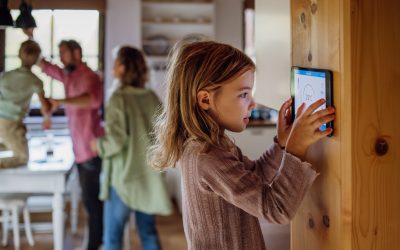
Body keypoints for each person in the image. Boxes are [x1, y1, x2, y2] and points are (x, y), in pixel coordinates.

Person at [148, 41, 336, 249]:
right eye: (243, 94)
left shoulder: (211, 146)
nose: (253, 103)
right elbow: (277, 209)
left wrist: (282, 144)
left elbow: (255, 176)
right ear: (204, 100)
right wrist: (296, 149)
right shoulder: (207, 157)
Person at [90, 46, 172, 250]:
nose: (112, 68)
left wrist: (97, 145)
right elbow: (164, 135)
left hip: (124, 179)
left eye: (116, 63)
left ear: (123, 68)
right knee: (148, 232)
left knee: (112, 238)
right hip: (148, 177)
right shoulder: (151, 97)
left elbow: (116, 140)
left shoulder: (118, 98)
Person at [38, 40, 104, 250]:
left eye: (64, 53)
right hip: (78, 149)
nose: (61, 57)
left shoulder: (91, 77)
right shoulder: (68, 76)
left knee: (91, 201)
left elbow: (92, 101)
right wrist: (31, 39)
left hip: (91, 148)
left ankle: (95, 244)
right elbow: (46, 67)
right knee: (88, 200)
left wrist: (61, 101)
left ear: (77, 52)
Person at [0, 39, 51, 169]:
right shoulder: (35, 81)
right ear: (37, 59)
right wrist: (46, 118)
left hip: (2, 120)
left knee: (9, 144)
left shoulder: (5, 76)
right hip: (12, 123)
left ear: (19, 55)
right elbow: (45, 106)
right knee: (23, 157)